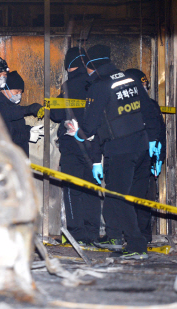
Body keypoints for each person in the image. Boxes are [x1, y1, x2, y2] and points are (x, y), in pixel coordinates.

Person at [65, 44, 163, 260]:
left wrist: (78, 135)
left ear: (91, 64)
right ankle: (122, 238)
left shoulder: (100, 86)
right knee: (134, 196)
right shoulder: (132, 80)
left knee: (118, 197)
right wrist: (154, 140)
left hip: (120, 150)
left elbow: (91, 127)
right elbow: (150, 112)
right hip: (142, 146)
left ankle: (137, 246)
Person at [50, 47, 101, 246]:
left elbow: (55, 113)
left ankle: (76, 235)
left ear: (69, 66)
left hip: (72, 146)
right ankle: (93, 233)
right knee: (92, 190)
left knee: (72, 190)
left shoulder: (69, 86)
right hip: (93, 146)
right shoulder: (94, 84)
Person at [125, 68, 167, 244]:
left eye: (145, 85)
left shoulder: (151, 105)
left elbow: (160, 133)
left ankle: (144, 237)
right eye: (141, 85)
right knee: (127, 200)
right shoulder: (123, 107)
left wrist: (159, 158)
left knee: (146, 199)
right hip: (129, 160)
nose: (144, 88)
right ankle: (129, 236)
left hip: (148, 160)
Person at [0, 57, 42, 156]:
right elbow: (4, 119)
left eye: (5, 75)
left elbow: (11, 121)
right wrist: (28, 134)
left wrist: (28, 129)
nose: (3, 78)